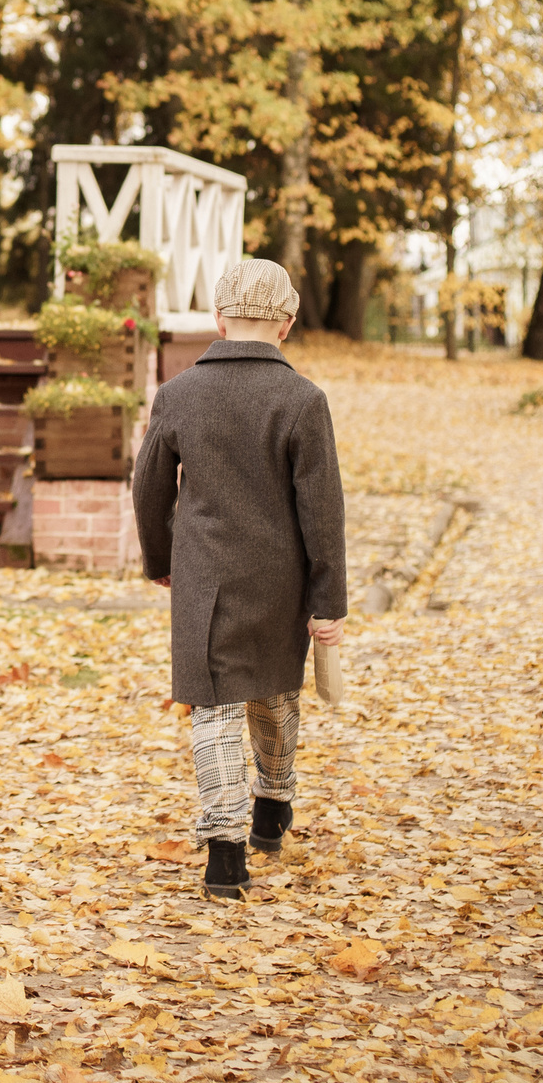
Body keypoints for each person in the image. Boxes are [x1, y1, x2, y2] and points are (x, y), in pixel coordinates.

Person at [131, 258, 347, 900]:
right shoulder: (303, 400)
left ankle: (225, 854)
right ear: (288, 322)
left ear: (218, 319)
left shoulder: (177, 395)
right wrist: (327, 600)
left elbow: (147, 490)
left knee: (214, 708)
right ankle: (273, 806)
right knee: (276, 693)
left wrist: (160, 559)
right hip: (280, 578)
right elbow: (323, 510)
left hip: (204, 579)